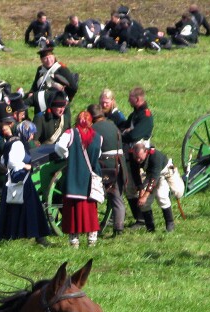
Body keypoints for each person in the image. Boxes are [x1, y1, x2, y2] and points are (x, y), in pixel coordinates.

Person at [0, 120, 52, 245]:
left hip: (14, 180)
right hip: (21, 179)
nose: (32, 137)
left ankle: (10, 235)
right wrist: (27, 166)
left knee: (13, 209)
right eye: (30, 133)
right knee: (33, 208)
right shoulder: (18, 144)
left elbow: (3, 161)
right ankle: (39, 237)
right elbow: (12, 162)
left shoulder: (11, 141)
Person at [54, 111, 103, 247]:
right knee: (90, 212)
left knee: (72, 212)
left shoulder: (70, 134)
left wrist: (67, 155)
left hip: (73, 178)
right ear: (91, 122)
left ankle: (74, 242)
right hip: (89, 181)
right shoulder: (98, 137)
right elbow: (98, 155)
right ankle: (92, 240)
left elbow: (59, 146)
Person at [89, 103, 126, 236]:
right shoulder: (113, 125)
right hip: (120, 164)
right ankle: (119, 229)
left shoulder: (94, 129)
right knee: (117, 199)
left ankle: (92, 226)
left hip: (105, 165)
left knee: (94, 195)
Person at [127, 141, 180, 233]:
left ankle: (170, 223)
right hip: (149, 174)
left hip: (163, 174)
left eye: (140, 157)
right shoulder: (133, 157)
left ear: (146, 152)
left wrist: (145, 195)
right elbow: (135, 174)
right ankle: (150, 228)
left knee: (161, 196)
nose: (138, 160)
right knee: (144, 203)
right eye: (136, 157)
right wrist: (140, 189)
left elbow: (154, 179)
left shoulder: (156, 157)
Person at [27, 43, 77, 114]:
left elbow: (73, 87)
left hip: (57, 103)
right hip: (42, 102)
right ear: (41, 60)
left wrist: (64, 92)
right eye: (45, 58)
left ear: (53, 57)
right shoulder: (40, 70)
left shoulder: (62, 69)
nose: (48, 60)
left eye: (50, 57)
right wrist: (31, 92)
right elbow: (35, 85)